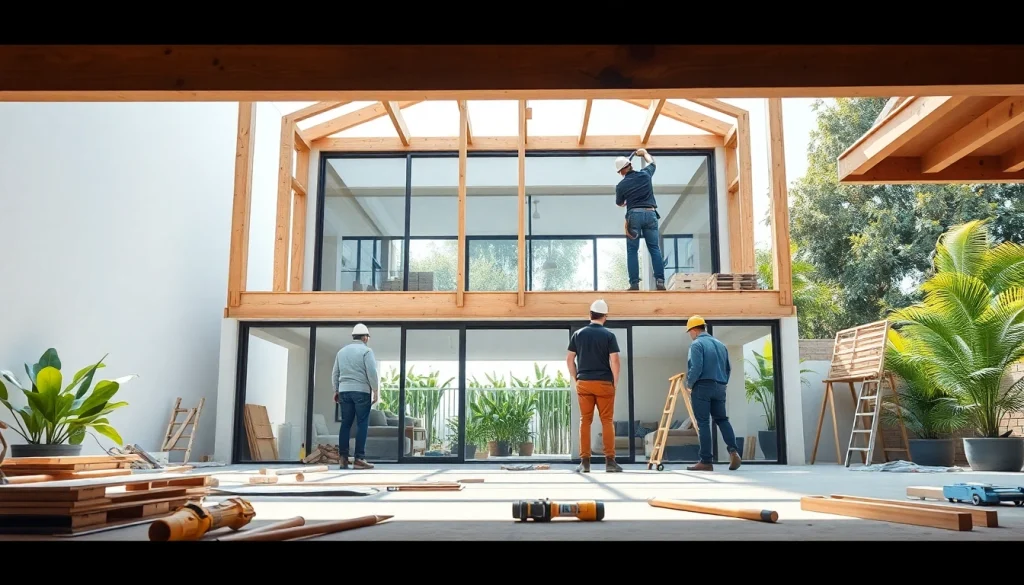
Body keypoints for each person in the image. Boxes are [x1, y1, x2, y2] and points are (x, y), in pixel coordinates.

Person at [567, 299, 624, 473]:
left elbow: (569, 359)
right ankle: (610, 462)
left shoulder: (578, 334)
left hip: (584, 382)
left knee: (585, 421)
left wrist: (576, 378)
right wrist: (615, 382)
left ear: (590, 315)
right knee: (607, 421)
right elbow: (615, 360)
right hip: (604, 383)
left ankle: (585, 463)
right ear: (605, 317)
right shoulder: (609, 335)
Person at [683, 316, 742, 472]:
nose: (690, 335)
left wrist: (689, 384)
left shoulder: (696, 344)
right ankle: (733, 451)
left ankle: (706, 461)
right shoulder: (721, 345)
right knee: (722, 420)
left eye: (689, 332)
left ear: (694, 330)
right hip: (720, 387)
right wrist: (723, 383)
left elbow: (696, 367)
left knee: (703, 423)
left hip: (702, 386)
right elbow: (728, 368)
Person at [614, 148, 666, 291]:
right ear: (630, 165)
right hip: (650, 214)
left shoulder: (621, 185)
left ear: (621, 171)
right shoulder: (645, 174)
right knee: (654, 248)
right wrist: (644, 153)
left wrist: (626, 202)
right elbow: (652, 163)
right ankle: (660, 281)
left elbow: (619, 203)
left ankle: (634, 284)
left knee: (632, 250)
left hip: (634, 216)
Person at [332, 323, 379, 470]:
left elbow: (335, 373)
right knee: (362, 423)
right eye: (368, 337)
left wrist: (336, 390)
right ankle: (359, 459)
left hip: (344, 391)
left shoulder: (341, 352)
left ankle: (343, 458)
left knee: (345, 424)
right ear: (365, 337)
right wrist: (375, 390)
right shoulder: (367, 351)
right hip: (361, 391)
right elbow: (372, 372)